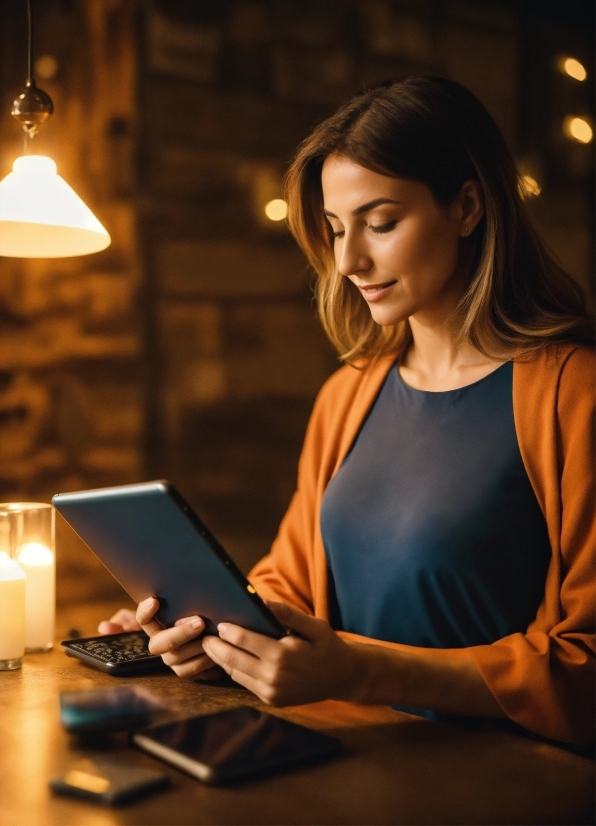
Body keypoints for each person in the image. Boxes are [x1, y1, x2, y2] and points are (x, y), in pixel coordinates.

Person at [100, 76, 594, 746]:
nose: (348, 260)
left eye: (381, 223)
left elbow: (585, 664)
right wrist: (215, 637)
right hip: (347, 759)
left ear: (469, 206)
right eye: (335, 229)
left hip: (511, 784)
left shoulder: (575, 396)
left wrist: (360, 671)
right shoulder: (349, 392)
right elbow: (291, 583)